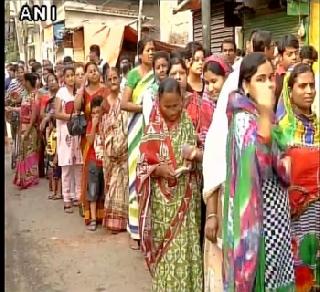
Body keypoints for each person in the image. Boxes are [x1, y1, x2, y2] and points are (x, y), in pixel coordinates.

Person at [222, 52, 295, 291]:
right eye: (261, 79)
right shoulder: (243, 119)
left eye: (272, 77)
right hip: (258, 225)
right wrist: (265, 111)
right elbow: (260, 165)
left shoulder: (265, 116)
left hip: (277, 218)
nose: (270, 84)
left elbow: (282, 160)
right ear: (246, 84)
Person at [137, 77, 203, 291]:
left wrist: (193, 159)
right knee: (167, 251)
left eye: (176, 105)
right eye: (167, 106)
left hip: (187, 199)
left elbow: (199, 154)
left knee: (187, 248)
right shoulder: (153, 128)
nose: (173, 110)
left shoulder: (188, 124)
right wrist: (158, 169)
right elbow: (141, 167)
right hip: (163, 205)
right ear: (158, 102)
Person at [274, 63, 320, 291]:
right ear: (289, 91)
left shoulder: (319, 126)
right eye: (302, 86)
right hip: (293, 219)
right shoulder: (281, 130)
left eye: (312, 85)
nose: (309, 91)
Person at [121, 38, 155, 249]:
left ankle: (150, 229)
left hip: (153, 130)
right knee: (136, 176)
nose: (152, 53)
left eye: (154, 50)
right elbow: (124, 103)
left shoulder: (161, 73)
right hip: (136, 130)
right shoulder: (133, 75)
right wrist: (144, 107)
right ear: (140, 53)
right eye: (148, 50)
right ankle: (135, 230)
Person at [74, 61, 107, 224]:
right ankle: (90, 211)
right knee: (91, 172)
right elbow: (76, 107)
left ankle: (104, 213)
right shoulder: (84, 91)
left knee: (104, 173)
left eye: (95, 70)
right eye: (90, 71)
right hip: (89, 136)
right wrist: (81, 87)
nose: (93, 73)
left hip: (106, 133)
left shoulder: (105, 89)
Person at [100, 68, 128, 233]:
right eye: (109, 79)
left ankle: (124, 221)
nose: (113, 81)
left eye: (115, 78)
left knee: (124, 184)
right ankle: (112, 221)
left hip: (124, 148)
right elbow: (102, 124)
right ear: (105, 81)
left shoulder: (125, 98)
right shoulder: (104, 102)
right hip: (110, 150)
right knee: (112, 183)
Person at [55, 66, 83, 213]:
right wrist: (72, 117)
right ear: (64, 78)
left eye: (73, 75)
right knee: (66, 167)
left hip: (78, 133)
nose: (71, 78)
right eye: (69, 76)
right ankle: (66, 198)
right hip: (66, 133)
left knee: (78, 165)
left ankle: (78, 196)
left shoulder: (79, 92)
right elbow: (57, 113)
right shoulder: (61, 93)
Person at [13, 73, 40, 189]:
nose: (22, 83)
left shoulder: (34, 95)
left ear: (28, 82)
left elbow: (33, 116)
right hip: (23, 127)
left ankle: (30, 178)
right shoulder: (26, 95)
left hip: (29, 128)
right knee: (23, 152)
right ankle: (24, 177)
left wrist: (27, 131)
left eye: (23, 81)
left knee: (30, 152)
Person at [84, 95, 105, 231]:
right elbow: (90, 141)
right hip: (93, 161)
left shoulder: (108, 122)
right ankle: (92, 218)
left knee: (104, 191)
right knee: (92, 191)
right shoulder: (91, 124)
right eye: (94, 113)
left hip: (105, 161)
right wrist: (94, 125)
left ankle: (103, 216)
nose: (96, 115)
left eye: (98, 112)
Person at [40, 73, 60, 195]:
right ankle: (54, 188)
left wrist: (50, 116)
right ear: (46, 84)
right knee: (51, 157)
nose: (52, 82)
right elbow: (42, 114)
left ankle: (61, 189)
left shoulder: (62, 94)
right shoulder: (45, 98)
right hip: (50, 130)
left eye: (54, 80)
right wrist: (47, 118)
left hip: (60, 127)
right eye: (49, 80)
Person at [142, 50, 170, 126]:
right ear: (154, 71)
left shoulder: (175, 88)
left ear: (169, 67)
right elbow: (148, 120)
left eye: (164, 66)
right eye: (158, 68)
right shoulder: (150, 93)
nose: (161, 70)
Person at [275, 34, 299, 101]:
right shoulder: (274, 80)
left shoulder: (301, 75)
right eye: (289, 54)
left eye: (296, 53)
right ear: (280, 57)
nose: (294, 57)